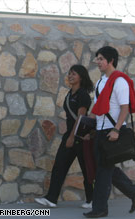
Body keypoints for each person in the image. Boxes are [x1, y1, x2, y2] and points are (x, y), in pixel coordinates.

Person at [83, 46, 135, 218]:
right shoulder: (101, 81)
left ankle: (100, 209)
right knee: (105, 167)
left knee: (103, 171)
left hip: (112, 131)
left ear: (111, 61)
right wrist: (89, 128)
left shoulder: (120, 81)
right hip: (100, 130)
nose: (98, 62)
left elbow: (125, 109)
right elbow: (97, 109)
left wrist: (116, 129)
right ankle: (133, 191)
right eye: (97, 58)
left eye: (101, 58)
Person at [35, 65, 94, 209]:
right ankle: (51, 199)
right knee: (59, 166)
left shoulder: (83, 95)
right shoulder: (70, 94)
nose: (70, 76)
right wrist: (69, 136)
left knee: (87, 169)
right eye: (69, 74)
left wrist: (72, 137)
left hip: (78, 136)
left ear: (81, 76)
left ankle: (92, 200)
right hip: (70, 134)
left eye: (74, 74)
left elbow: (80, 118)